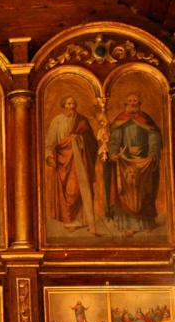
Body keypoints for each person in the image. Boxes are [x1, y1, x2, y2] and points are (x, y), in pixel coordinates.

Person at [108, 93, 162, 237]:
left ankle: (146, 224)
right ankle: (128, 226)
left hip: (145, 161)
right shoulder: (120, 120)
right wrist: (113, 152)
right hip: (125, 160)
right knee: (125, 193)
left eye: (135, 101)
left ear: (139, 104)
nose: (133, 103)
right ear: (125, 104)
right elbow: (114, 139)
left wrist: (152, 153)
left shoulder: (146, 119)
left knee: (144, 191)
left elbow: (154, 136)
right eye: (130, 101)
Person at [45, 96, 98, 233]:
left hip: (79, 160)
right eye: (68, 104)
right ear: (64, 106)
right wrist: (49, 156)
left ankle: (79, 220)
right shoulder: (57, 121)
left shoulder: (82, 120)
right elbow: (50, 141)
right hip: (62, 160)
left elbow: (92, 141)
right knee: (65, 190)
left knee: (76, 189)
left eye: (73, 104)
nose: (71, 107)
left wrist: (79, 139)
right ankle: (68, 220)